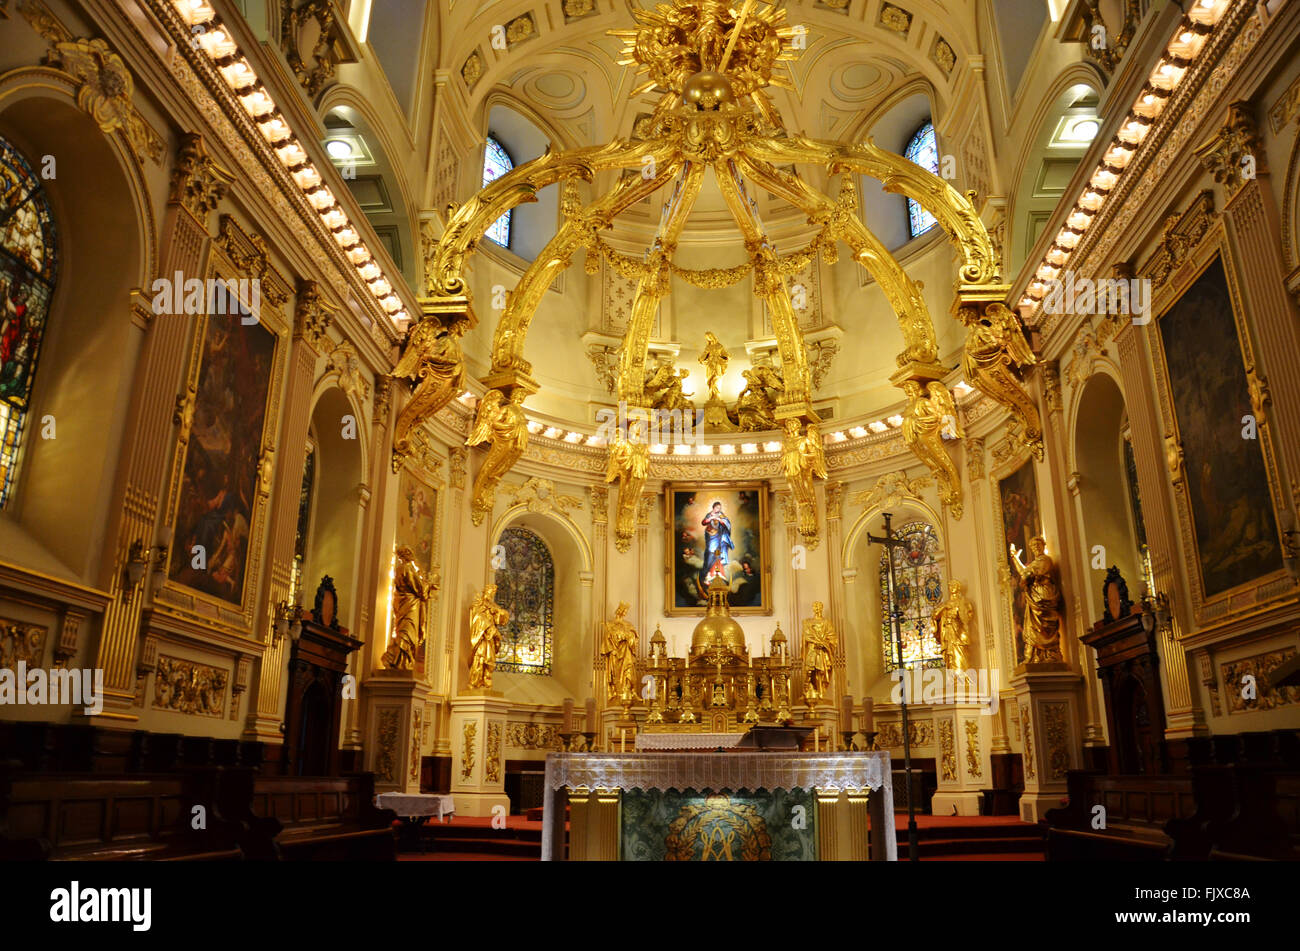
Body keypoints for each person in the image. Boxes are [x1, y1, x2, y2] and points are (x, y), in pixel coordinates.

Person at [700, 500, 733, 591]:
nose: (718, 509)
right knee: (710, 553)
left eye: (720, 508)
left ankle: (715, 575)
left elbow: (727, 524)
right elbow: (703, 522)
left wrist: (720, 520)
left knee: (717, 555)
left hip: (718, 537)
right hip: (710, 537)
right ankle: (707, 575)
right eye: (717, 507)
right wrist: (711, 519)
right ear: (713, 507)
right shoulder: (709, 515)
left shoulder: (721, 515)